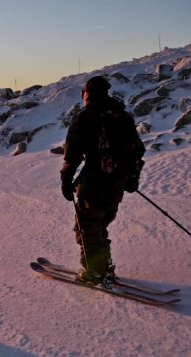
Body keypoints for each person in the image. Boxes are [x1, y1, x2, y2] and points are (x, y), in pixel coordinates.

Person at [60, 76, 145, 287]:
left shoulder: (84, 117)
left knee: (87, 228)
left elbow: (72, 154)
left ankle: (94, 272)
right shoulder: (122, 116)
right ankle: (104, 267)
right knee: (100, 226)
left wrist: (66, 179)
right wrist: (133, 177)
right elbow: (137, 150)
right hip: (117, 182)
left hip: (94, 182)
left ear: (86, 94)